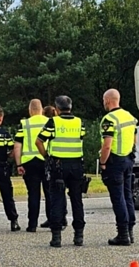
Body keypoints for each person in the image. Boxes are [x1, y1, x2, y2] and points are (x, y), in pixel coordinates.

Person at [36, 95, 86, 248]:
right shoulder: (79, 122)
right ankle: (79, 236)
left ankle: (56, 237)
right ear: (70, 108)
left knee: (57, 199)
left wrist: (46, 157)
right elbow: (81, 137)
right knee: (77, 200)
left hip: (58, 165)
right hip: (76, 165)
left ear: (56, 109)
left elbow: (39, 141)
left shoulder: (53, 122)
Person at [99, 89, 138, 246]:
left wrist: (103, 162)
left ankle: (122, 234)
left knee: (118, 198)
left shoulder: (109, 119)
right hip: (128, 159)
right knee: (128, 195)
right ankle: (130, 231)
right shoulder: (129, 116)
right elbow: (135, 139)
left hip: (115, 161)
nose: (103, 103)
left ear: (108, 100)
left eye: (104, 100)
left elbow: (107, 145)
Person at [13, 99, 49, 233]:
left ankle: (32, 224)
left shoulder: (25, 124)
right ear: (42, 110)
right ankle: (53, 221)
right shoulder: (49, 122)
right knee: (50, 192)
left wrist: (18, 164)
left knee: (33, 194)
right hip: (46, 161)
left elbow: (17, 146)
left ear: (30, 110)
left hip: (29, 162)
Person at [39, 105, 65, 230]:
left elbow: (39, 141)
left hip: (51, 160)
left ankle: (54, 219)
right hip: (65, 160)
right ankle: (61, 217)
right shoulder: (59, 123)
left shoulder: (50, 124)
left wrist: (46, 156)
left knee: (51, 192)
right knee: (59, 191)